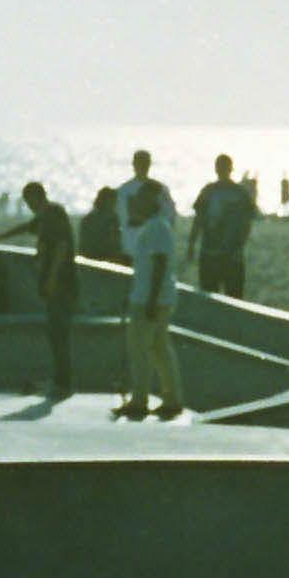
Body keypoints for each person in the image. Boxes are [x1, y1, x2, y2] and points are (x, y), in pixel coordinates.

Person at [0, 181, 77, 398]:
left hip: (62, 283)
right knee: (54, 333)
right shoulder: (45, 217)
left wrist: (52, 279)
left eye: (30, 202)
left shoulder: (54, 214)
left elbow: (61, 247)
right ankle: (60, 380)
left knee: (59, 333)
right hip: (56, 283)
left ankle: (64, 383)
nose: (29, 206)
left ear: (38, 197)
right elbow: (27, 228)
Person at [113, 179, 184, 421]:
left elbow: (160, 264)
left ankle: (140, 400)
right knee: (159, 348)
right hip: (153, 296)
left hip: (149, 299)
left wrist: (151, 300)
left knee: (139, 349)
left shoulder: (156, 228)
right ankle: (171, 398)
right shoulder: (155, 226)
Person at [187, 154, 257, 297]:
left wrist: (240, 245)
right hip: (210, 252)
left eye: (224, 167)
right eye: (220, 167)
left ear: (230, 169)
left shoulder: (239, 193)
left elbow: (247, 222)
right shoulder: (209, 191)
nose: (221, 170)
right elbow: (198, 219)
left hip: (231, 254)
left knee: (233, 299)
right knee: (209, 297)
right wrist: (191, 244)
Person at [79, 185, 125, 264]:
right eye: (112, 201)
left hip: (93, 258)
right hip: (100, 258)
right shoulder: (111, 219)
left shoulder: (88, 219)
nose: (114, 204)